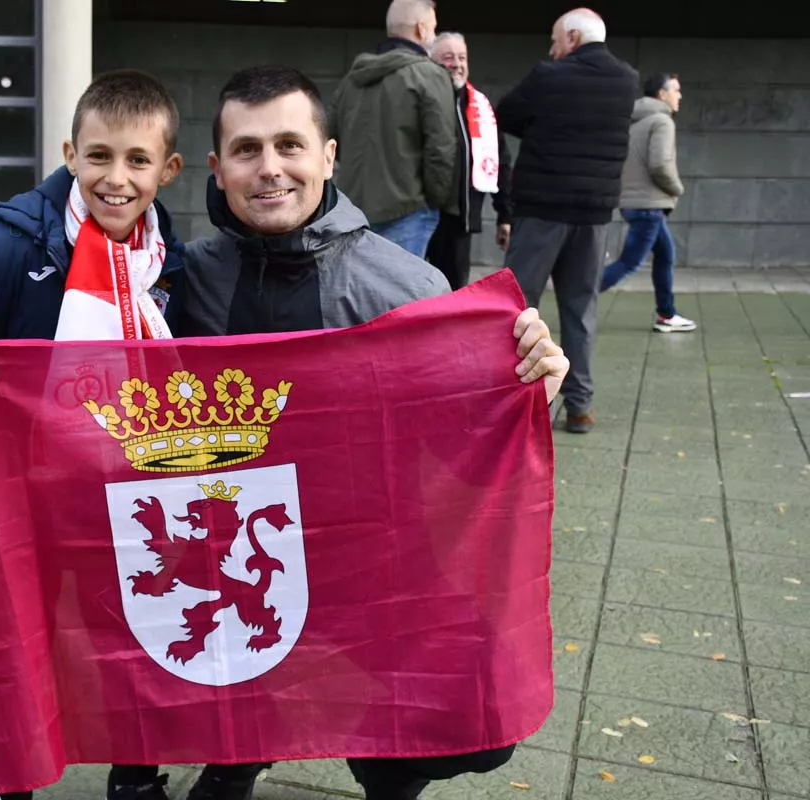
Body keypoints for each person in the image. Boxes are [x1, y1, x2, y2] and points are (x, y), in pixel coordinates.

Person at [182, 64, 570, 800]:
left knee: (444, 729)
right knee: (229, 679)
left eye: (291, 146)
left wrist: (527, 394)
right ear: (217, 167)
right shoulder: (182, 281)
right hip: (238, 556)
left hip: (371, 558)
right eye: (247, 149)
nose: (270, 169)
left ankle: (390, 771)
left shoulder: (408, 289)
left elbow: (461, 445)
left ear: (329, 156)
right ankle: (236, 754)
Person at [0, 70, 264, 800]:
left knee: (144, 623)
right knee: (14, 629)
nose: (116, 178)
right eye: (98, 157)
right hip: (28, 488)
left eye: (136, 160)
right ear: (70, 154)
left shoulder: (173, 264)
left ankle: (135, 771)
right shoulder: (11, 243)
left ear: (169, 169)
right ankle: (12, 773)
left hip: (129, 490)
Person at [496, 8, 638, 434]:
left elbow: (508, 113)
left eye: (556, 41)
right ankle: (580, 406)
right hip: (594, 216)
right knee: (580, 310)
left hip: (542, 211)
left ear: (573, 37)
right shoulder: (627, 80)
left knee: (514, 307)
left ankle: (506, 398)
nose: (552, 49)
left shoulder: (549, 75)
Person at [331, 0, 457, 258]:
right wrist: (435, 200)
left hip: (354, 213)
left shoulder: (350, 81)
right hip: (408, 212)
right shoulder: (430, 75)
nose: (434, 36)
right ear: (421, 29)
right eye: (433, 29)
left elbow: (331, 140)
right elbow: (441, 149)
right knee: (402, 297)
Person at [600, 72, 696, 332]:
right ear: (662, 94)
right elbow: (660, 164)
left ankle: (666, 314)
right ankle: (579, 294)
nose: (680, 96)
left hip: (636, 203)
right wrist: (677, 188)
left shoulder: (636, 121)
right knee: (629, 262)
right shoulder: (662, 121)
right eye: (676, 90)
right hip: (649, 207)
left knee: (666, 255)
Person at [425, 32, 513, 290]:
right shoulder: (421, 99)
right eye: (448, 57)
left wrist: (505, 214)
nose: (457, 64)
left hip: (459, 221)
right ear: (431, 61)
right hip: (421, 215)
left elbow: (502, 160)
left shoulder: (480, 106)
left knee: (453, 291)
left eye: (462, 57)